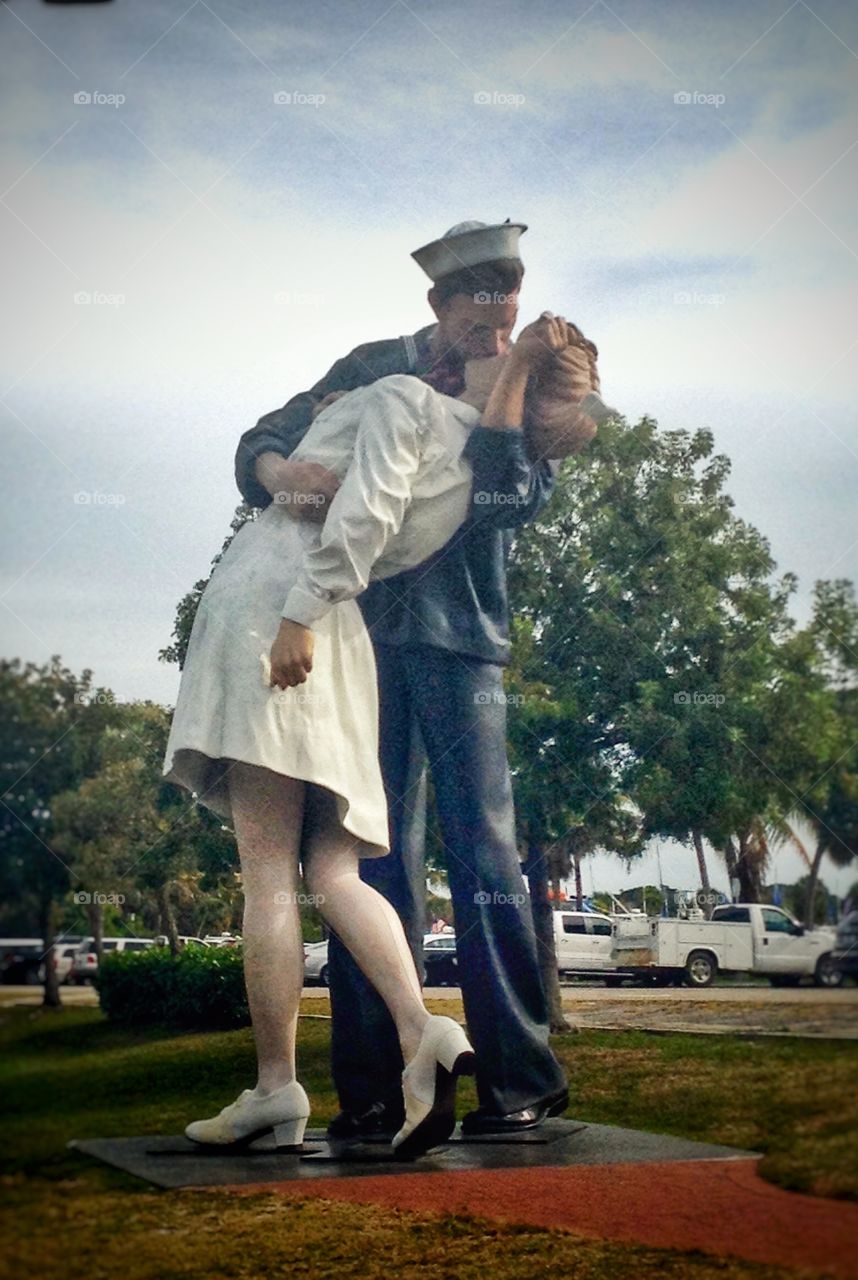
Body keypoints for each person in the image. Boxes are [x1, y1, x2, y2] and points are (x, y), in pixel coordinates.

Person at [163, 311, 591, 1159]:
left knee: (484, 854)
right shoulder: (380, 366)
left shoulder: (516, 414)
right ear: (441, 298)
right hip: (358, 631)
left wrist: (508, 386)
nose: (493, 313)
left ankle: (512, 1079)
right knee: (366, 860)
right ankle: (371, 1083)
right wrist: (287, 477)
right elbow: (270, 440)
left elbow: (494, 487)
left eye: (504, 294)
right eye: (475, 291)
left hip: (433, 634)